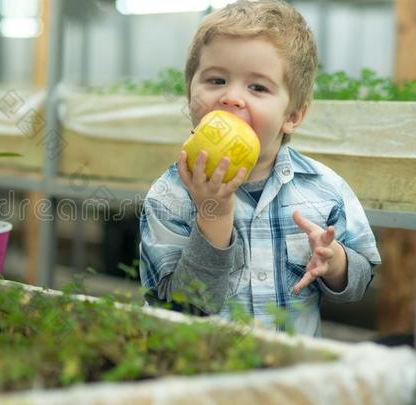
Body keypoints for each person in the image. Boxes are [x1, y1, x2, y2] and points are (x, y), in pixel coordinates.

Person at [139, 0, 381, 336]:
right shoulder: (170, 195)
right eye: (216, 80)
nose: (232, 97)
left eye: (257, 87)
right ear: (189, 93)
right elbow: (179, 308)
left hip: (290, 376)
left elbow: (361, 281)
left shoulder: (323, 188)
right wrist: (214, 215)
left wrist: (336, 261)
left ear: (292, 116)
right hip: (204, 374)